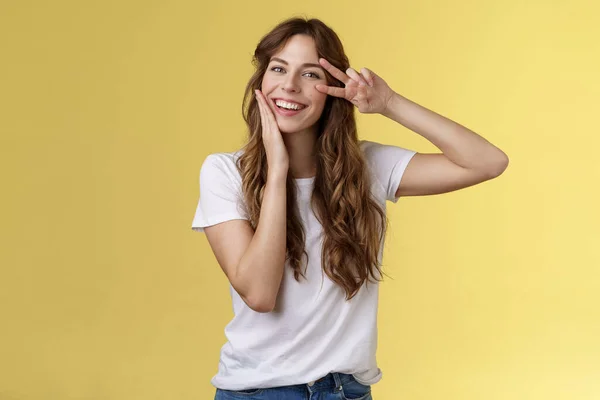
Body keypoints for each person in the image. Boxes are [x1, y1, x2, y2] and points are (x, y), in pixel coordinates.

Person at [191, 17, 508, 400]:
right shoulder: (224, 172)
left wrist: (389, 103)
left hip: (346, 392)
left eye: (309, 74)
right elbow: (259, 293)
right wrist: (278, 174)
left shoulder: (367, 167)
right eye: (278, 68)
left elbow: (487, 162)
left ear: (332, 91)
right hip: (260, 393)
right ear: (261, 81)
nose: (289, 85)